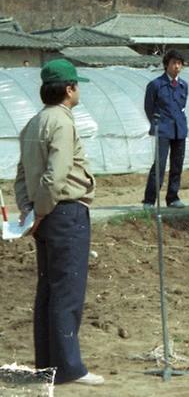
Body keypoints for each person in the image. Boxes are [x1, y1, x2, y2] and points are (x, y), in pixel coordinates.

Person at [14, 59, 104, 385]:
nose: (78, 90)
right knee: (67, 292)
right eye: (77, 85)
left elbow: (22, 175)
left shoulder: (33, 123)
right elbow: (57, 175)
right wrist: (41, 210)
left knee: (48, 292)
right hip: (66, 213)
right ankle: (69, 368)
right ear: (69, 90)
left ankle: (46, 364)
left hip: (44, 218)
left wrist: (30, 211)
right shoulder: (63, 124)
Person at [142, 49, 189, 210]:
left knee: (177, 165)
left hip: (179, 130)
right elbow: (149, 107)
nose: (176, 67)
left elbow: (182, 106)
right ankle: (149, 200)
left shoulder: (183, 85)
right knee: (159, 166)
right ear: (166, 65)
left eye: (179, 63)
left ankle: (173, 197)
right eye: (173, 63)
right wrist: (156, 124)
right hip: (163, 130)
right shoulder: (156, 85)